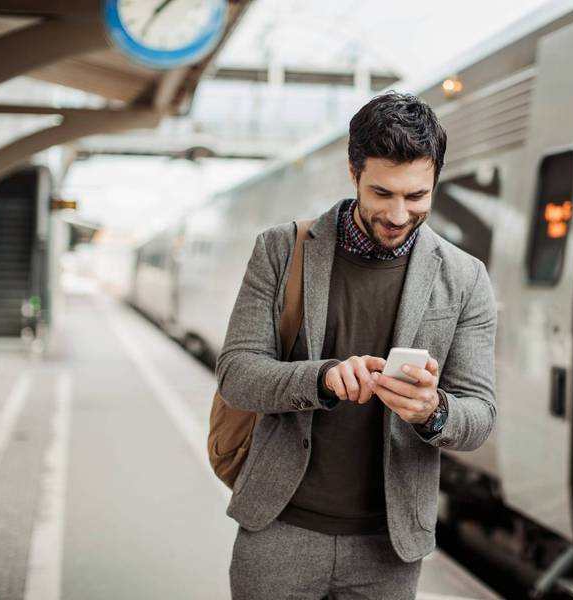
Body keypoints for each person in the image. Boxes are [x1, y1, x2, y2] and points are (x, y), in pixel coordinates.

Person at [216, 91, 497, 599]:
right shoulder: (281, 250)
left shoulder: (466, 278)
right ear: (353, 172)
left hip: (387, 546)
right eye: (382, 192)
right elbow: (237, 373)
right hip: (280, 528)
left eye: (416, 196)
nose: (397, 213)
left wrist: (433, 411)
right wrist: (320, 378)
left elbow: (479, 415)